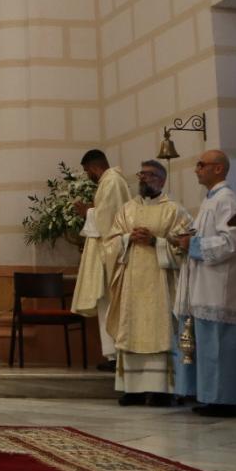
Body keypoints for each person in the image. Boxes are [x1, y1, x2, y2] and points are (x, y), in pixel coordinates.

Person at [103, 160, 192, 406]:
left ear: (162, 181)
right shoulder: (126, 210)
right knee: (131, 327)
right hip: (132, 280)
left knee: (160, 329)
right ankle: (132, 390)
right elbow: (109, 245)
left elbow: (186, 248)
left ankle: (162, 390)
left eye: (151, 175)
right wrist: (126, 239)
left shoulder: (175, 211)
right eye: (141, 174)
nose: (144, 178)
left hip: (161, 282)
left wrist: (157, 242)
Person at [173, 149, 236, 417]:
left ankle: (227, 401)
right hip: (206, 285)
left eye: (201, 165)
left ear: (218, 169)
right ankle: (213, 398)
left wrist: (192, 244)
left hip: (221, 289)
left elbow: (231, 241)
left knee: (222, 348)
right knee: (209, 348)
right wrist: (187, 239)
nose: (196, 169)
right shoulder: (210, 200)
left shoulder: (226, 200)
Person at [70, 149, 133, 370]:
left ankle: (116, 355)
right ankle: (112, 355)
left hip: (112, 254)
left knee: (111, 304)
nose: (88, 175)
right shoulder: (110, 181)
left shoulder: (112, 181)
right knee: (106, 303)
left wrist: (87, 212)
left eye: (87, 171)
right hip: (108, 253)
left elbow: (110, 219)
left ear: (95, 167)